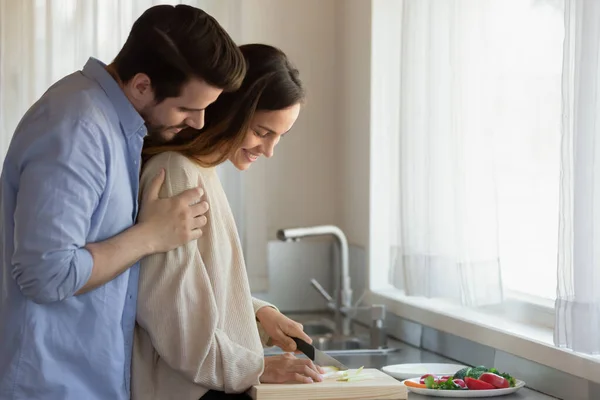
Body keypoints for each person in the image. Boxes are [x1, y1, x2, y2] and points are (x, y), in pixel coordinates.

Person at [0, 5, 246, 400]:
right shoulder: (78, 126)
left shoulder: (116, 128)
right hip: (50, 387)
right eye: (187, 108)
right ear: (142, 85)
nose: (199, 123)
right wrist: (150, 236)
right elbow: (46, 274)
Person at [133, 44, 323, 400]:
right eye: (262, 132)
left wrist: (258, 313)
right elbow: (175, 323)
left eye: (279, 137)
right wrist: (260, 368)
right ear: (229, 110)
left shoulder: (199, 171)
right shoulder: (176, 174)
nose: (268, 150)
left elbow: (193, 286)